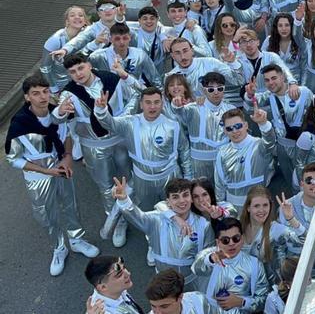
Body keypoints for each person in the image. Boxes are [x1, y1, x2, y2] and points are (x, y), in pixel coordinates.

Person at [5, 75, 100, 276]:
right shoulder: (19, 124)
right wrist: (46, 171)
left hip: (61, 168)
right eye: (36, 93)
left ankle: (76, 239)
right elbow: (13, 158)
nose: (42, 97)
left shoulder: (58, 114)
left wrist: (67, 158)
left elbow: (67, 137)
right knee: (47, 214)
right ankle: (59, 247)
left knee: (70, 204)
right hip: (38, 177)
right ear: (27, 97)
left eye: (45, 92)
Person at [52, 53, 138, 246]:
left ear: (89, 65)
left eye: (80, 68)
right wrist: (60, 111)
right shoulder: (69, 93)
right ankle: (118, 221)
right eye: (72, 72)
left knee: (128, 179)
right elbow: (56, 119)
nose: (78, 74)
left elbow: (134, 95)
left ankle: (132, 212)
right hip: (93, 147)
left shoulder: (111, 78)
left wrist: (123, 117)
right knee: (106, 187)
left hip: (120, 140)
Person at [96, 86, 192, 210]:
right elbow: (110, 124)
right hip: (142, 179)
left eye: (156, 102)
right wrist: (102, 110)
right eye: (148, 102)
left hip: (169, 177)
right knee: (146, 212)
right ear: (141, 104)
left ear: (162, 104)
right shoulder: (129, 123)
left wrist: (188, 177)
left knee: (174, 211)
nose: (152, 107)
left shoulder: (173, 125)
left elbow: (184, 150)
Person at [112, 177, 211, 287]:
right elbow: (137, 216)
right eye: (175, 197)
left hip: (192, 281)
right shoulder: (156, 220)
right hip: (163, 282)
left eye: (185, 195)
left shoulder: (204, 225)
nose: (182, 201)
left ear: (191, 198)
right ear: (168, 202)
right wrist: (124, 200)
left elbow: (207, 255)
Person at [192, 217, 269, 313]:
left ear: (242, 239)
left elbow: (264, 299)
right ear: (218, 242)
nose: (231, 243)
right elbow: (195, 268)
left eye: (236, 238)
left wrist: (242, 302)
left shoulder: (254, 264)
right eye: (225, 240)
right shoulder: (208, 255)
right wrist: (210, 259)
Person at [170, 72, 236, 180]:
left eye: (220, 89)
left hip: (224, 159)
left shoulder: (231, 109)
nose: (216, 93)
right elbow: (180, 111)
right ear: (204, 90)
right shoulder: (193, 108)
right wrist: (176, 104)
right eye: (211, 89)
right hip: (199, 162)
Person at [213, 106, 276, 208]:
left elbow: (270, 142)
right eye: (229, 128)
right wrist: (223, 210)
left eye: (238, 126)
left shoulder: (259, 145)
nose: (235, 131)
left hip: (260, 207)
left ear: (246, 125)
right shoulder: (222, 153)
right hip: (234, 208)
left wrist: (263, 123)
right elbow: (220, 185)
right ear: (225, 131)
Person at [239, 186, 302, 283]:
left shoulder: (276, 230)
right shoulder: (238, 227)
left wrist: (290, 218)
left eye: (265, 205)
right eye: (256, 206)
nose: (261, 210)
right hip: (240, 287)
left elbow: (304, 243)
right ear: (248, 208)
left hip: (267, 292)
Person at [145, 268, 219, 314]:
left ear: (180, 297)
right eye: (153, 306)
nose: (158, 313)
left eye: (164, 306)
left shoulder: (198, 300)